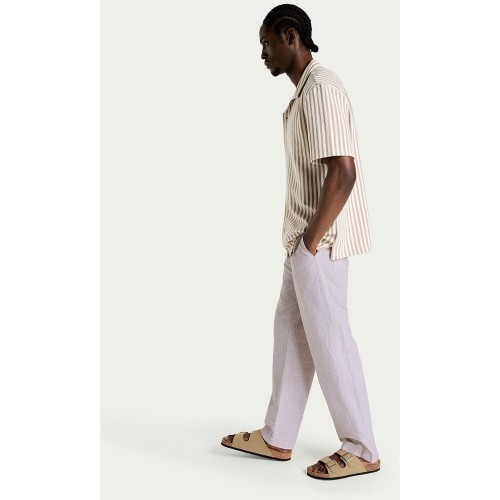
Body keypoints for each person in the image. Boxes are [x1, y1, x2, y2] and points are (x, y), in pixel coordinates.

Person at [220, 4, 381, 480]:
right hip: (305, 242)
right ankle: (278, 435)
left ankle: (361, 447)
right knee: (290, 334)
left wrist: (311, 245)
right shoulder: (305, 93)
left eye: (266, 43)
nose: (262, 53)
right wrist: (301, 246)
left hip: (321, 243)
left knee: (331, 341)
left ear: (290, 36)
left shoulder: (322, 88)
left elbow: (343, 172)